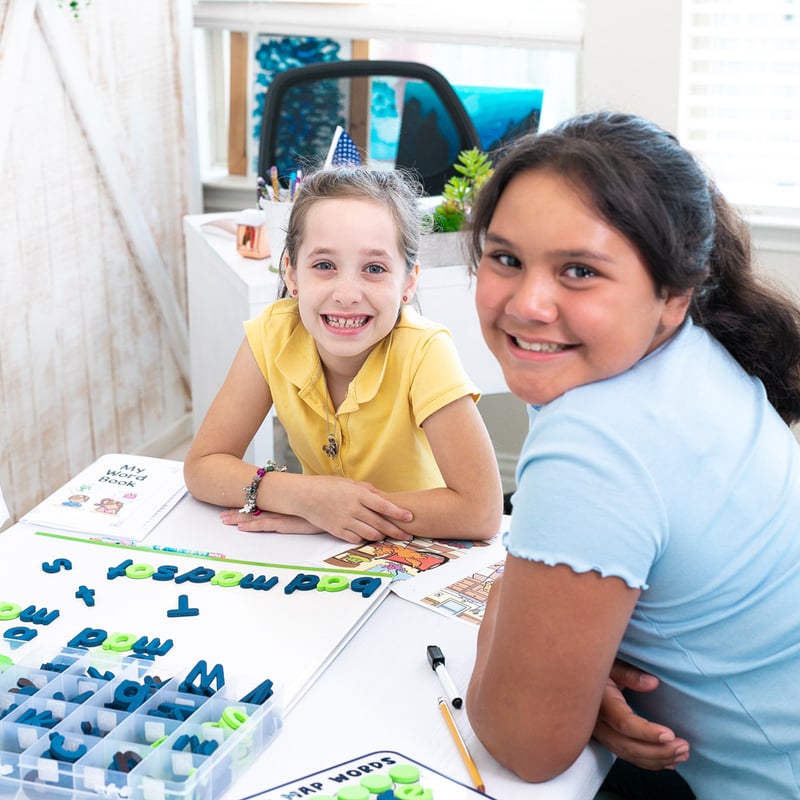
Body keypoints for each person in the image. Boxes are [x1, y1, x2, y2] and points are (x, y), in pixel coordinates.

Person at [463, 111, 800, 799]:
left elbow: (528, 748)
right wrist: (577, 678)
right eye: (506, 258)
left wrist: (504, 604)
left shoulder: (596, 442)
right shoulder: (691, 352)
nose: (528, 303)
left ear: (673, 293)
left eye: (579, 271)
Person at [183, 166, 503, 544]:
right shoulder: (272, 333)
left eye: (374, 268)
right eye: (324, 266)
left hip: (420, 551)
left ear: (409, 281)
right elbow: (203, 466)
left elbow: (481, 511)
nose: (347, 293)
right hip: (321, 555)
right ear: (292, 274)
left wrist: (335, 512)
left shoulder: (425, 351)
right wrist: (308, 499)